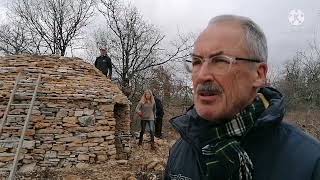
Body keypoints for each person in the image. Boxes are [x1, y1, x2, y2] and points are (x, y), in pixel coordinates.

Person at [165, 15, 320, 180]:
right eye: (196, 62)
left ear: (259, 74)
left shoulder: (311, 163)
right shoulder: (181, 150)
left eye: (220, 61)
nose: (202, 75)